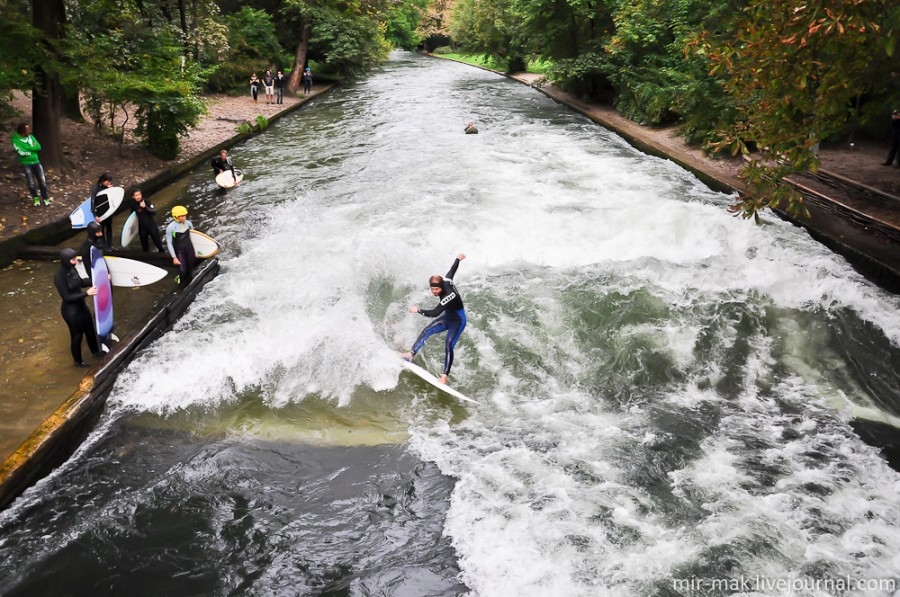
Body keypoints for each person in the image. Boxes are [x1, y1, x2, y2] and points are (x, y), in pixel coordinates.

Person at [401, 253, 468, 384]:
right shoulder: (446, 280)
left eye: (437, 289)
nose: (434, 292)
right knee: (427, 331)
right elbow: (451, 271)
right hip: (448, 317)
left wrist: (418, 310)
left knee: (449, 344)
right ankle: (410, 355)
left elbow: (435, 313)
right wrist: (457, 259)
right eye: (432, 289)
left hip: (458, 321)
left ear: (442, 286)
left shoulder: (450, 295)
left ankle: (444, 376)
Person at [54, 248, 101, 367]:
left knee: (90, 331)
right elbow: (67, 297)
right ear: (65, 260)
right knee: (77, 336)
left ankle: (96, 353)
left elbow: (81, 282)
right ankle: (78, 363)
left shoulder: (72, 269)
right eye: (73, 259)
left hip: (81, 306)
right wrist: (86, 293)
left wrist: (98, 279)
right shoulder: (59, 277)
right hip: (71, 312)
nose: (76, 261)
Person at [11, 121, 53, 207]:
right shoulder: (15, 140)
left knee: (42, 181)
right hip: (26, 164)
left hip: (36, 162)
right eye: (27, 129)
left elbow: (38, 147)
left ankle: (45, 198)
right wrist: (31, 149)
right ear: (22, 131)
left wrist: (27, 148)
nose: (29, 131)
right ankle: (35, 198)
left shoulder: (31, 137)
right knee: (31, 183)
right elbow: (21, 152)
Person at [166, 205, 196, 290]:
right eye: (181, 216)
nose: (184, 218)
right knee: (182, 271)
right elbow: (169, 242)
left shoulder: (188, 223)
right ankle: (180, 284)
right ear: (176, 217)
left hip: (189, 249)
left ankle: (191, 285)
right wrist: (174, 257)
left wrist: (197, 251)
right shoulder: (171, 227)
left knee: (190, 268)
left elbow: (194, 236)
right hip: (179, 251)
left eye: (185, 215)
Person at [90, 172, 115, 250]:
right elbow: (92, 202)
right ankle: (104, 246)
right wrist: (95, 215)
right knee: (102, 229)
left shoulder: (107, 187)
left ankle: (110, 245)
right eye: (108, 181)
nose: (109, 183)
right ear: (103, 181)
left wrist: (111, 189)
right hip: (100, 212)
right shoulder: (96, 189)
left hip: (108, 211)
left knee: (109, 228)